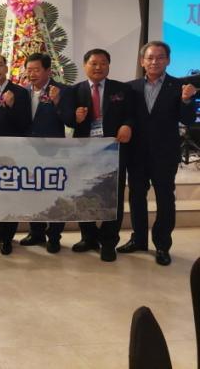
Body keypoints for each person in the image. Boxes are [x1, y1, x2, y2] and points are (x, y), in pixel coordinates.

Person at [117, 41, 197, 265]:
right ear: (142, 61)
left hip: (165, 154)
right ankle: (139, 239)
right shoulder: (130, 88)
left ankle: (162, 245)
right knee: (136, 197)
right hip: (136, 153)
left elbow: (188, 119)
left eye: (160, 57)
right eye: (150, 58)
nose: (155, 61)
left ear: (168, 60)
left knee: (165, 199)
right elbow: (126, 116)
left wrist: (186, 100)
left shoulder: (179, 86)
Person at [62, 48, 134, 262]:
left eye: (103, 63)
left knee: (114, 197)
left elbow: (132, 114)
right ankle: (89, 237)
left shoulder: (122, 89)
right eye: (93, 63)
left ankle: (109, 242)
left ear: (108, 66)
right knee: (84, 194)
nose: (98, 67)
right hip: (85, 152)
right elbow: (66, 118)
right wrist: (75, 117)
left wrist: (127, 125)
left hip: (114, 150)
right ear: (85, 66)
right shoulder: (74, 91)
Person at [0, 53, 32, 256]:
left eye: (0, 65)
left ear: (6, 68)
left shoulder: (19, 92)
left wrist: (11, 107)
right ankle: (0, 230)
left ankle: (8, 237)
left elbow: (25, 123)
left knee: (9, 195)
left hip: (12, 153)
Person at [20, 53, 67, 253]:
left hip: (53, 152)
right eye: (29, 70)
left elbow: (70, 120)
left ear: (48, 71)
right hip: (28, 151)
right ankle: (36, 232)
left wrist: (58, 102)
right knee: (32, 193)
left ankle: (54, 236)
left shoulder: (61, 90)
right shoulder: (22, 92)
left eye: (36, 70)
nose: (32, 74)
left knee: (54, 195)